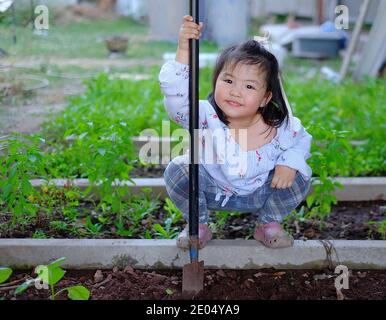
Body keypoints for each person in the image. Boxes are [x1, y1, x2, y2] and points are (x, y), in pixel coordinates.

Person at [159, 15, 312, 249]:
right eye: (228, 81)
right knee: (178, 169)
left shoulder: (280, 125)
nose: (235, 92)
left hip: (262, 192)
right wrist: (183, 49)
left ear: (265, 97)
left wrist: (289, 162)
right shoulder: (204, 116)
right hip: (212, 190)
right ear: (216, 80)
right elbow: (178, 103)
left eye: (249, 86)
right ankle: (197, 226)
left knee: (299, 173)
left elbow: (301, 142)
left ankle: (268, 225)